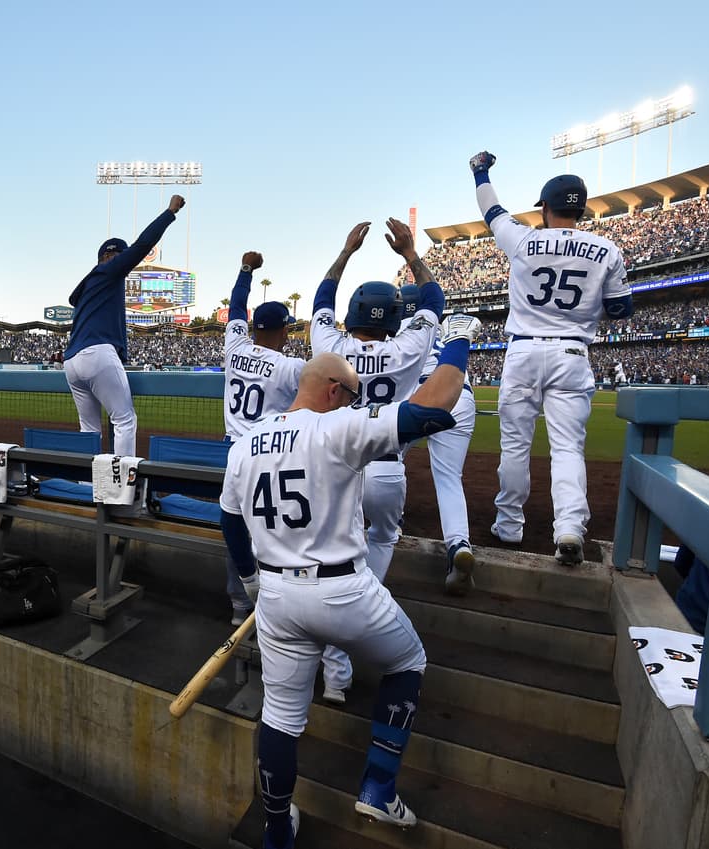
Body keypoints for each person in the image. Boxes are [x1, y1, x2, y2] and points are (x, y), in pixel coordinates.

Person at [220, 314, 481, 847]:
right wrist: (456, 341)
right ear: (333, 390)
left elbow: (229, 521)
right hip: (344, 591)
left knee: (281, 719)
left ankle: (277, 831)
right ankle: (379, 788)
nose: (353, 403)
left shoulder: (245, 445)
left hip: (277, 596)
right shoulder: (337, 427)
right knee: (408, 662)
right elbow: (434, 408)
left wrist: (249, 581)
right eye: (351, 395)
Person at [470, 151, 633, 564]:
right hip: (571, 352)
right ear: (581, 209)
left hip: (523, 351)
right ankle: (569, 528)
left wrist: (481, 172)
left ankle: (509, 524)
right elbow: (621, 309)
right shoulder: (607, 249)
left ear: (545, 206)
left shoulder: (522, 238)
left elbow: (491, 210)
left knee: (515, 446)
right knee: (567, 449)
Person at [309, 220, 444, 702]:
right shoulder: (407, 347)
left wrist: (346, 252)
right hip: (386, 468)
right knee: (383, 537)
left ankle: (334, 672)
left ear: (354, 314)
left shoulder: (331, 347)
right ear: (392, 320)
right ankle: (362, 604)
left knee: (330, 556)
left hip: (335, 469)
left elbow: (321, 299)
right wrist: (410, 254)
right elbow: (434, 301)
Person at [63, 195, 185, 456]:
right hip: (97, 354)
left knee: (89, 429)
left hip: (71, 362)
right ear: (111, 256)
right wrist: (170, 212)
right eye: (121, 255)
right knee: (124, 420)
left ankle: (88, 478)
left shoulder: (88, 285)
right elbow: (143, 245)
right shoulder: (109, 271)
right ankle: (121, 481)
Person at [221, 250, 305, 625]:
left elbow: (237, 304)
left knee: (236, 529)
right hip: (267, 455)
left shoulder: (235, 347)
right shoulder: (289, 367)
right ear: (283, 330)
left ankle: (240, 605)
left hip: (232, 452)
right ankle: (272, 607)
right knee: (272, 530)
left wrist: (246, 271)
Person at [402, 284, 478, 595]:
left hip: (419, 396)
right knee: (449, 479)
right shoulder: (441, 327)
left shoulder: (398, 329)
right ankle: (459, 545)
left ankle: (389, 523)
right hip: (460, 397)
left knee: (387, 460)